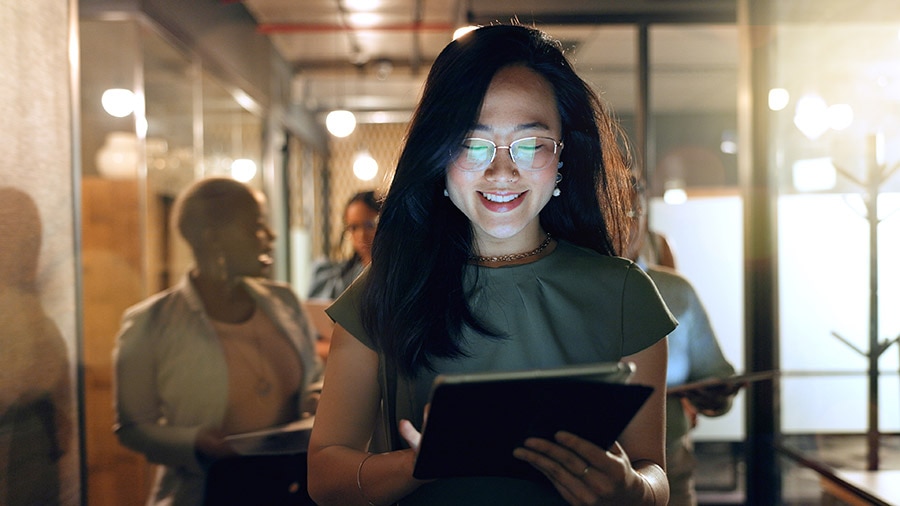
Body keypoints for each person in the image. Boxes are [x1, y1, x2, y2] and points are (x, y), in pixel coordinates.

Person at [307, 24, 676, 506]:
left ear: (564, 153)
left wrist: (632, 490)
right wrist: (418, 465)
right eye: (472, 143)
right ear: (438, 154)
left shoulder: (627, 294)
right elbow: (325, 474)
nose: (502, 171)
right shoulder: (387, 289)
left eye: (530, 144)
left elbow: (654, 472)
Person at [112, 177, 322, 506]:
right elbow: (132, 428)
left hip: (294, 485)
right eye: (256, 226)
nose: (271, 236)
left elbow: (313, 378)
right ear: (213, 239)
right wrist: (196, 441)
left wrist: (315, 397)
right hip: (208, 491)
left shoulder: (285, 302)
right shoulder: (151, 322)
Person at [625, 178, 739, 506]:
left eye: (635, 211)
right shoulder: (569, 289)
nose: (626, 222)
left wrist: (715, 393)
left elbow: (714, 372)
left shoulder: (676, 291)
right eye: (614, 210)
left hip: (668, 461)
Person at [307, 190, 381, 300]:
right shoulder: (337, 277)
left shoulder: (394, 274)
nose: (361, 235)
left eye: (369, 225)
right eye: (354, 227)